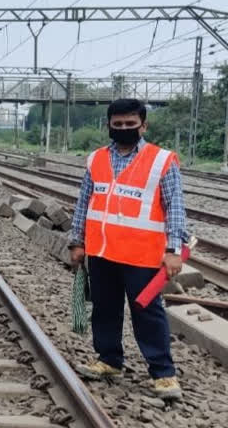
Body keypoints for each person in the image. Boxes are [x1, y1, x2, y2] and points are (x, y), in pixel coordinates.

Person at [69, 98, 187, 400]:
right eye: (117, 124)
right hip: (103, 252)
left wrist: (174, 249)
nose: (123, 129)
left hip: (141, 255)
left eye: (130, 124)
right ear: (108, 125)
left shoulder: (161, 160)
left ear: (143, 125)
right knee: (105, 310)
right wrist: (77, 241)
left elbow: (174, 207)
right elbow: (85, 202)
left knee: (147, 313)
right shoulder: (96, 159)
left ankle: (163, 373)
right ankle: (109, 360)